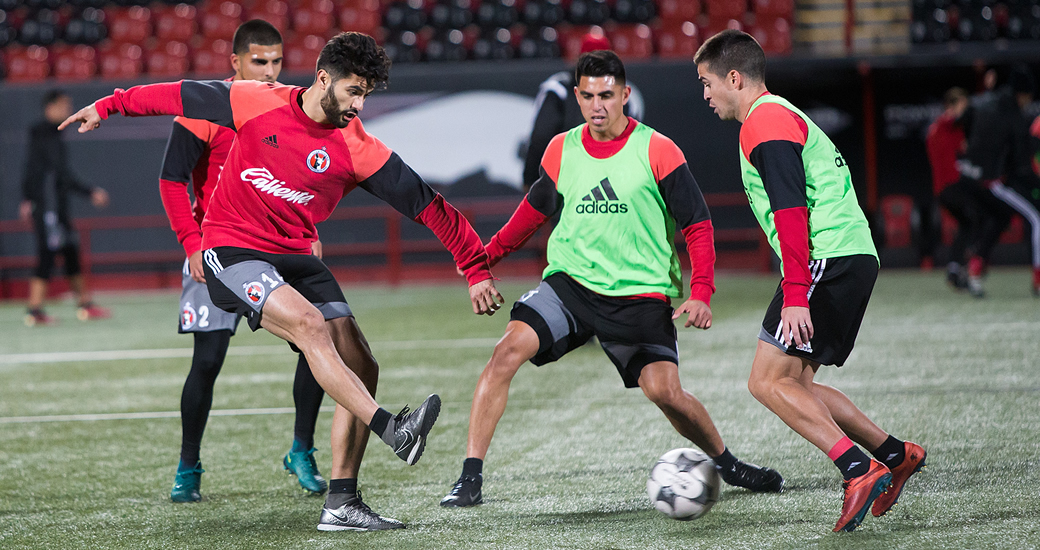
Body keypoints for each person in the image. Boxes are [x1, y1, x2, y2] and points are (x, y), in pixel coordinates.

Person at [60, 31, 504, 531]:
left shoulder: (357, 147)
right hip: (230, 249)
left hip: (294, 256)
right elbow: (176, 94)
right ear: (323, 79)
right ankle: (392, 429)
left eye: (366, 95)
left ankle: (342, 503)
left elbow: (428, 205)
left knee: (361, 361)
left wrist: (475, 268)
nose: (358, 105)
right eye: (353, 91)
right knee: (311, 325)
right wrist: (110, 105)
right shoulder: (254, 100)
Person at [440, 50, 784, 509]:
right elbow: (532, 213)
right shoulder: (562, 148)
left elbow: (697, 225)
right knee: (505, 353)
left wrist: (702, 291)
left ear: (625, 95)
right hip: (571, 286)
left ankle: (727, 463)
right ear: (577, 98)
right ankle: (470, 478)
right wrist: (483, 260)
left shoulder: (659, 149)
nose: (597, 105)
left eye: (606, 95)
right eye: (587, 96)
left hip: (639, 297)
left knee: (666, 393)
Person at [694, 30, 926, 533]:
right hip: (849, 254)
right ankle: (894, 453)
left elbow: (791, 211)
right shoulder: (778, 114)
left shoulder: (765, 120)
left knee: (765, 381)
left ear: (734, 78)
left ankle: (859, 469)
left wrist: (796, 293)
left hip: (827, 258)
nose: (705, 95)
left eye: (707, 83)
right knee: (797, 384)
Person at [159, 20, 330, 503]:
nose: (271, 71)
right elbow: (172, 180)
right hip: (217, 250)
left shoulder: (287, 108)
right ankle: (188, 464)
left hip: (277, 246)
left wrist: (308, 232)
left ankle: (302, 449)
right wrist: (192, 243)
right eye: (260, 61)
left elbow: (298, 183)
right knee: (208, 360)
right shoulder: (201, 112)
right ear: (234, 62)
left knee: (317, 338)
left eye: (277, 61)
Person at [19, 90, 111, 326]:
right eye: (64, 105)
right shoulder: (45, 134)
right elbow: (58, 174)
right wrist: (90, 192)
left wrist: (27, 198)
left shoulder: (48, 135)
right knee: (47, 255)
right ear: (51, 107)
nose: (68, 110)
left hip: (55, 208)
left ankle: (85, 305)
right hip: (49, 208)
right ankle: (34, 310)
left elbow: (35, 171)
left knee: (70, 252)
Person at [954, 66, 1040, 297]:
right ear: (1022, 94)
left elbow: (960, 119)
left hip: (966, 176)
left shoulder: (982, 100)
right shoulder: (1015, 117)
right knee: (1036, 218)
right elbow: (1020, 165)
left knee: (998, 217)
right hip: (989, 181)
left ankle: (973, 269)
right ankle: (1038, 279)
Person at [520, 29, 644, 190]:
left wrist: (530, 179)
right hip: (611, 184)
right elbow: (635, 146)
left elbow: (540, 137)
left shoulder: (559, 89)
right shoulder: (624, 93)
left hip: (566, 183)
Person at [926, 87, 972, 289]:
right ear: (951, 106)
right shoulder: (944, 125)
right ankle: (970, 266)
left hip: (945, 190)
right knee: (982, 217)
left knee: (969, 224)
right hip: (951, 187)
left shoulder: (948, 129)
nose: (965, 111)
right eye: (961, 106)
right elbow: (952, 120)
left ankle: (955, 268)